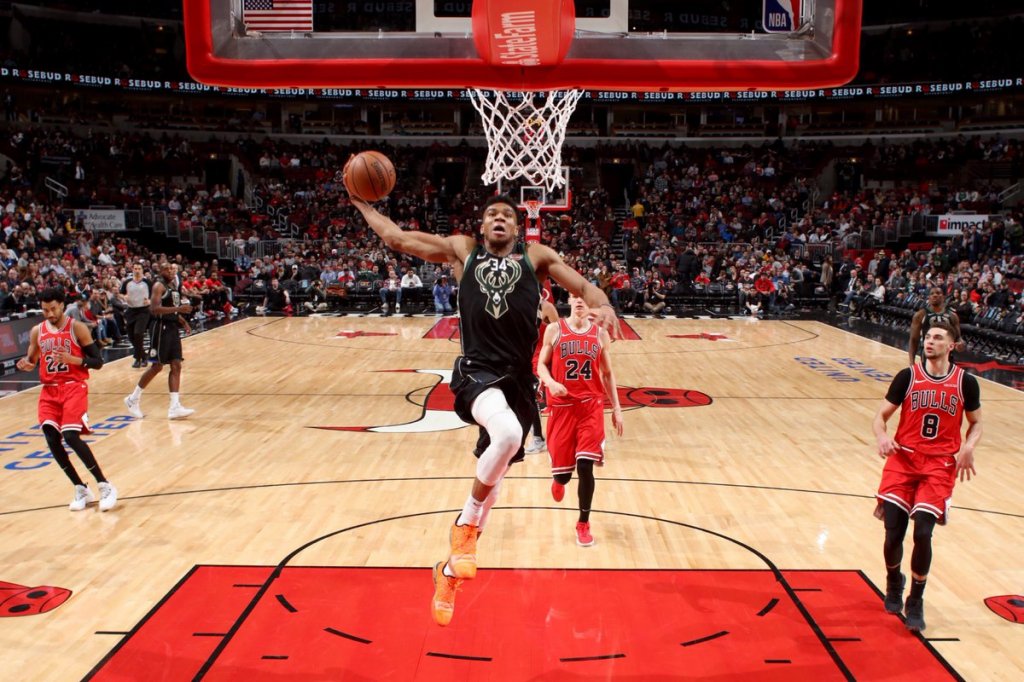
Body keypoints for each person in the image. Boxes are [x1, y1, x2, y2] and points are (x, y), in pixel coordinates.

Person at [348, 190, 617, 627]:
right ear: (482, 225)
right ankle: (463, 528)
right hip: (477, 371)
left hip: (518, 381)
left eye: (507, 215)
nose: (499, 219)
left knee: (495, 483)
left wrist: (604, 307)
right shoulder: (462, 250)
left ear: (517, 227)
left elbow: (584, 288)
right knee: (508, 437)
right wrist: (362, 204)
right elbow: (397, 238)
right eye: (492, 214)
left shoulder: (536, 257)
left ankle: (448, 572)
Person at [872, 320, 981, 632]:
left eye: (937, 338)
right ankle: (894, 580)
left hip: (939, 465)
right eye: (928, 337)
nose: (929, 342)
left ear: (951, 345)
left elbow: (976, 422)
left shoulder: (965, 382)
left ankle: (916, 599)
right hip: (903, 459)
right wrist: (882, 437)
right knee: (893, 532)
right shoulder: (908, 376)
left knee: (922, 533)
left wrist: (969, 447)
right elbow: (880, 417)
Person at [16, 288, 117, 511]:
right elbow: (32, 360)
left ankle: (105, 485)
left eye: (53, 308)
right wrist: (26, 365)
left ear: (62, 305)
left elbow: (98, 362)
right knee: (51, 438)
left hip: (73, 387)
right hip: (49, 390)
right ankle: (80, 488)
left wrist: (75, 360)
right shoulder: (37, 331)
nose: (50, 314)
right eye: (45, 310)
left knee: (70, 436)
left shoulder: (77, 327)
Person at [536, 293, 623, 547]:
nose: (579, 301)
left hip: (590, 408)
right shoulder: (554, 330)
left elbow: (607, 373)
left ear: (591, 304)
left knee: (585, 465)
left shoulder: (599, 334)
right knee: (564, 476)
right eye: (575, 296)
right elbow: (541, 365)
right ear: (570, 301)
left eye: (584, 297)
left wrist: (617, 408)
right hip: (562, 408)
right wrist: (550, 382)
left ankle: (583, 523)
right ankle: (558, 480)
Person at [123, 262, 195, 420]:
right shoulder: (158, 286)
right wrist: (178, 309)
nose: (171, 271)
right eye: (168, 269)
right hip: (160, 328)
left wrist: (182, 320)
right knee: (157, 366)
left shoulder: (172, 286)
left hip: (172, 327)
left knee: (176, 365)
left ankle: (174, 407)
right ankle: (133, 399)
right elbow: (154, 309)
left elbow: (171, 308)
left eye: (173, 269)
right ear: (161, 271)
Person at [525, 295, 559, 454]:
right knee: (527, 399)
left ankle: (540, 438)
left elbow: (560, 335)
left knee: (535, 398)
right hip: (525, 358)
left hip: (543, 360)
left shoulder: (546, 307)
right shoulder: (516, 304)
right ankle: (537, 437)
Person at [908, 286, 965, 364]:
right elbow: (913, 340)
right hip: (928, 355)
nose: (934, 295)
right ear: (929, 297)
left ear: (943, 297)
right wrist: (912, 362)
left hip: (947, 355)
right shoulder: (920, 315)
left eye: (938, 293)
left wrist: (961, 344)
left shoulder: (952, 316)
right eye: (932, 294)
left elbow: (958, 337)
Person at [120, 263, 151, 368]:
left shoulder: (147, 282)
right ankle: (144, 355)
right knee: (131, 336)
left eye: (139, 268)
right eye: (135, 268)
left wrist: (150, 301)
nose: (137, 270)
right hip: (131, 310)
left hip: (143, 311)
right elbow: (121, 293)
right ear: (132, 270)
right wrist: (124, 297)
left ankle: (138, 359)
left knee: (138, 333)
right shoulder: (127, 282)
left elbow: (155, 295)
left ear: (142, 270)